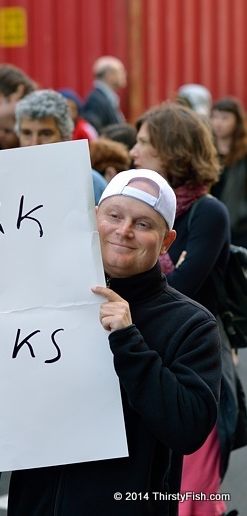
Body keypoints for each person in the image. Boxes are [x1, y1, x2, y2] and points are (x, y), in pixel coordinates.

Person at [0, 169, 222, 515]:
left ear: (167, 240)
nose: (124, 230)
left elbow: (187, 429)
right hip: (32, 504)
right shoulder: (40, 298)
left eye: (143, 224)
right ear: (94, 217)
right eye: (114, 215)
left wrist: (129, 341)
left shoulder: (191, 324)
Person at [130, 101, 238, 516]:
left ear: (171, 149)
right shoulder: (134, 203)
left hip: (195, 360)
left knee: (192, 496)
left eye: (143, 143)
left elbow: (181, 288)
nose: (134, 152)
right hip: (144, 354)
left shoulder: (208, 212)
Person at [14, 89, 107, 204]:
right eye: (27, 133)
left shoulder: (90, 184)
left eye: (45, 134)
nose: (34, 143)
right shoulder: (6, 182)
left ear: (65, 136)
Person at [210, 96, 247, 248]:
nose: (218, 123)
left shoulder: (244, 153)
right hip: (211, 223)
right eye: (214, 117)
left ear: (236, 121)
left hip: (239, 227)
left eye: (225, 118)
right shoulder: (206, 151)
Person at [82, 56, 127, 132]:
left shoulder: (105, 98)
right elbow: (97, 132)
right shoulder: (96, 100)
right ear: (110, 75)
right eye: (121, 71)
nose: (124, 75)